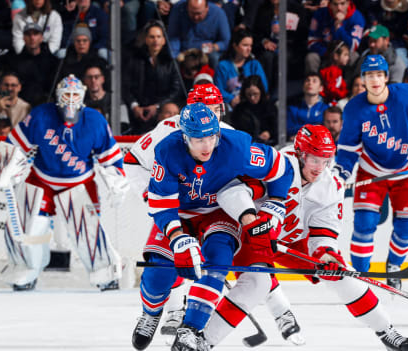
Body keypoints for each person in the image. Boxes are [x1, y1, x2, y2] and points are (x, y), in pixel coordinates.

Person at [203, 124, 408, 351]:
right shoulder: (274, 165)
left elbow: (323, 232)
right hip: (252, 237)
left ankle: (386, 330)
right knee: (257, 283)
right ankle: (206, 341)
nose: (320, 167)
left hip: (292, 241)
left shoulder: (330, 185)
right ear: (300, 154)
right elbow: (231, 192)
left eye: (326, 160)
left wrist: (326, 253)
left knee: (343, 277)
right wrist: (251, 221)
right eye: (315, 159)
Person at [124, 84, 300, 350]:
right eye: (198, 139)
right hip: (179, 210)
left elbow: (281, 168)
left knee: (218, 260)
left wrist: (273, 205)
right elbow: (159, 200)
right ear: (184, 135)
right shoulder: (166, 145)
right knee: (158, 273)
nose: (207, 145)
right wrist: (176, 237)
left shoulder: (233, 142)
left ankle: (191, 329)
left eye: (216, 111)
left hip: (218, 210)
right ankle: (150, 313)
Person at [0, 75, 128, 292]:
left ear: (83, 97)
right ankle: (25, 270)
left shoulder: (95, 121)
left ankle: (105, 273)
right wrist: (4, 167)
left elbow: (110, 157)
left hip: (79, 182)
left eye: (75, 95)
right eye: (66, 95)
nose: (70, 100)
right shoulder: (41, 116)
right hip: (42, 179)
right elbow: (15, 145)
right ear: (58, 96)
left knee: (87, 231)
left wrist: (116, 181)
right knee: (23, 225)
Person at [334, 55, 408, 290]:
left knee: (407, 225)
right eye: (369, 75)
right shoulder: (354, 109)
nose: (375, 79)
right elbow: (348, 149)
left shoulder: (407, 95)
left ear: (387, 77)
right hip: (371, 172)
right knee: (364, 223)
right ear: (363, 80)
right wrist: (341, 174)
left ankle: (394, 266)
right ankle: (360, 275)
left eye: (379, 74)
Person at [123, 21, 184, 135]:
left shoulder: (171, 63)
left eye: (158, 37)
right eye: (152, 37)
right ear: (146, 39)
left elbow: (176, 89)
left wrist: (157, 106)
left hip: (161, 110)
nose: (155, 40)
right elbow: (126, 86)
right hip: (138, 110)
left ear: (164, 40)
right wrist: (135, 106)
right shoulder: (134, 60)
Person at [5, 22, 59, 107]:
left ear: (41, 38)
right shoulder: (15, 61)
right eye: (28, 34)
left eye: (35, 34)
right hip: (21, 105)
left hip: (46, 104)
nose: (32, 37)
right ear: (23, 38)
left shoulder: (53, 61)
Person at [214, 28, 269, 108]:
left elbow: (263, 86)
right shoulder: (223, 66)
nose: (249, 49)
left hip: (252, 102)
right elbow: (218, 90)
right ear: (235, 46)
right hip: (231, 105)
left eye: (250, 45)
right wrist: (231, 99)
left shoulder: (254, 64)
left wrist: (246, 96)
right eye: (245, 45)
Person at [167, 0, 231, 68]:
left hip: (206, 53)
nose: (195, 17)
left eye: (199, 13)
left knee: (215, 58)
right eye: (192, 13)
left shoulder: (218, 13)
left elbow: (226, 41)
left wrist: (214, 46)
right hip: (184, 51)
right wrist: (174, 55)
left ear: (207, 8)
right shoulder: (178, 9)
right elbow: (173, 37)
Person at [305, 0, 365, 74]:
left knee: (354, 56)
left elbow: (353, 46)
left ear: (348, 3)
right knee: (311, 57)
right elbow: (311, 42)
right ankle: (315, 83)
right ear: (329, 4)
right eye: (335, 4)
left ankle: (349, 84)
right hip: (325, 53)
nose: (339, 8)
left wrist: (339, 28)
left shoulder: (357, 17)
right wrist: (330, 54)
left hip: (344, 55)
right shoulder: (319, 14)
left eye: (342, 4)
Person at [230, 75, 278, 145]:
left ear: (261, 92)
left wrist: (269, 133)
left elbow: (278, 128)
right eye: (249, 95)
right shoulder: (239, 110)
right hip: (246, 144)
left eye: (255, 94)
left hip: (269, 145)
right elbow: (235, 130)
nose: (252, 98)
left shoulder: (270, 107)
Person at [286, 73, 329, 139]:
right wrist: (315, 126)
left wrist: (301, 131)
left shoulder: (326, 109)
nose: (310, 83)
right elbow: (289, 129)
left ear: (321, 88)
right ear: (303, 87)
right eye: (307, 80)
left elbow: (326, 130)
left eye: (314, 81)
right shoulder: (292, 108)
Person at [320, 40, 350, 105]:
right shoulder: (332, 70)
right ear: (336, 56)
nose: (348, 58)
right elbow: (331, 89)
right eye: (345, 55)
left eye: (348, 55)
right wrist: (342, 94)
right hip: (327, 102)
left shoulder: (338, 71)